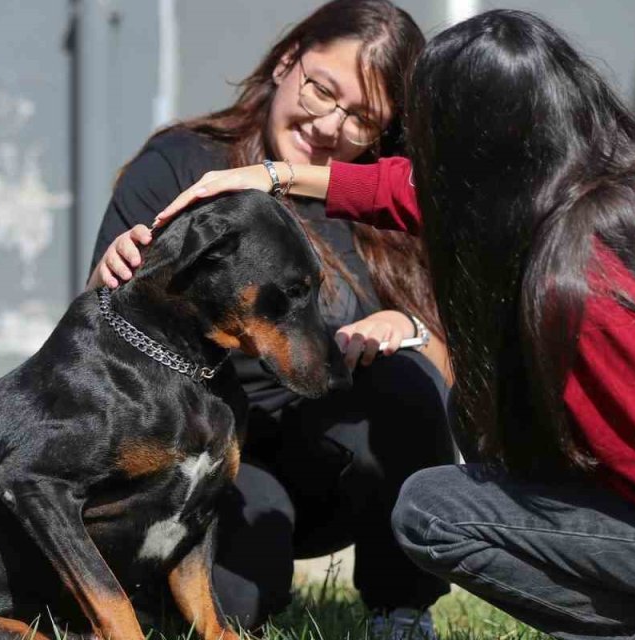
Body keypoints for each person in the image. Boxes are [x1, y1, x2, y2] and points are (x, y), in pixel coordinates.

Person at [149, 9, 635, 640]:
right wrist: (274, 177)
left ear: (478, 152)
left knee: (436, 512)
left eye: (429, 135)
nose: (417, 154)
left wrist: (556, 447)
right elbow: (416, 192)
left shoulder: (588, 280)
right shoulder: (605, 176)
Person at [86, 1, 455, 636]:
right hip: (200, 457)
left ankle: (401, 608)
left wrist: (408, 329)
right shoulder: (182, 164)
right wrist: (107, 279)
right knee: (234, 602)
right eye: (322, 90)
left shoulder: (386, 205)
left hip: (327, 456)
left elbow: (446, 370)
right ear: (288, 61)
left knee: (409, 384)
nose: (329, 124)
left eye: (362, 118)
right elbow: (98, 330)